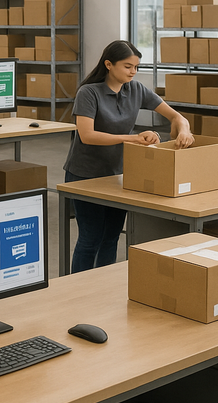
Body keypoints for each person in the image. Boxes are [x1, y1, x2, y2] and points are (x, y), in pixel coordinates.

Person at [63, 40, 193, 273]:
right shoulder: (89, 93)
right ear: (109, 65)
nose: (133, 71)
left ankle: (103, 284)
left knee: (111, 237)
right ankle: (78, 287)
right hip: (85, 174)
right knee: (90, 238)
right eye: (127, 66)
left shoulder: (136, 89)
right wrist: (132, 138)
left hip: (119, 174)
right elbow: (87, 135)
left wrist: (183, 127)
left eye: (136, 67)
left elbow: (175, 116)